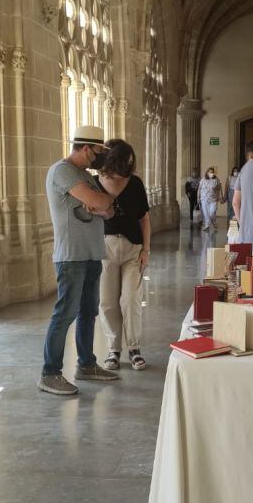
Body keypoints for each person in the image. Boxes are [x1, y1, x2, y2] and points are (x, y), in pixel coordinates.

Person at [38, 125, 122, 396]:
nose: (100, 158)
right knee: (65, 314)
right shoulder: (62, 171)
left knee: (89, 312)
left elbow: (109, 210)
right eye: (98, 152)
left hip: (91, 253)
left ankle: (86, 364)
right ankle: (49, 373)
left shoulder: (85, 175)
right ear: (86, 149)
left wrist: (101, 204)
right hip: (71, 256)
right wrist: (100, 203)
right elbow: (100, 202)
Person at [98, 139, 151, 373]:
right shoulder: (93, 183)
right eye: (125, 161)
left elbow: (144, 219)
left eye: (131, 162)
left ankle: (134, 348)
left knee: (130, 300)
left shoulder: (135, 183)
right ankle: (113, 349)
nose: (129, 166)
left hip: (132, 249)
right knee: (108, 302)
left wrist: (146, 250)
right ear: (113, 160)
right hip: (104, 248)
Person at [198, 167, 222, 231]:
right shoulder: (203, 180)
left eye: (212, 172)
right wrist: (198, 197)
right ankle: (207, 225)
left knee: (212, 212)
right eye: (210, 172)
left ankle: (212, 221)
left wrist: (220, 196)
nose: (212, 173)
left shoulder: (216, 180)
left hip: (213, 199)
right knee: (206, 213)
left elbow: (219, 188)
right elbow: (199, 188)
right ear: (207, 173)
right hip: (204, 199)